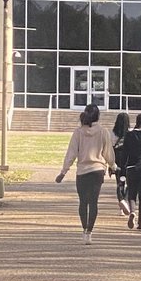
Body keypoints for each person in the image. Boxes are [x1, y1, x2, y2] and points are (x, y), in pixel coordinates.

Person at [56, 104, 115, 244]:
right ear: (98, 116)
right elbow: (108, 153)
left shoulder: (78, 132)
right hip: (97, 170)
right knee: (93, 202)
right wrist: (113, 165)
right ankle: (89, 232)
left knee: (83, 202)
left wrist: (63, 171)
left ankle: (84, 229)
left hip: (82, 171)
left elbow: (71, 153)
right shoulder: (103, 131)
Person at [111, 112, 131, 215]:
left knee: (119, 182)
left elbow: (111, 147)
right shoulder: (130, 133)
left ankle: (121, 202)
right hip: (127, 160)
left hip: (117, 159)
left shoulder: (113, 133)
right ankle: (125, 200)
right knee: (127, 182)